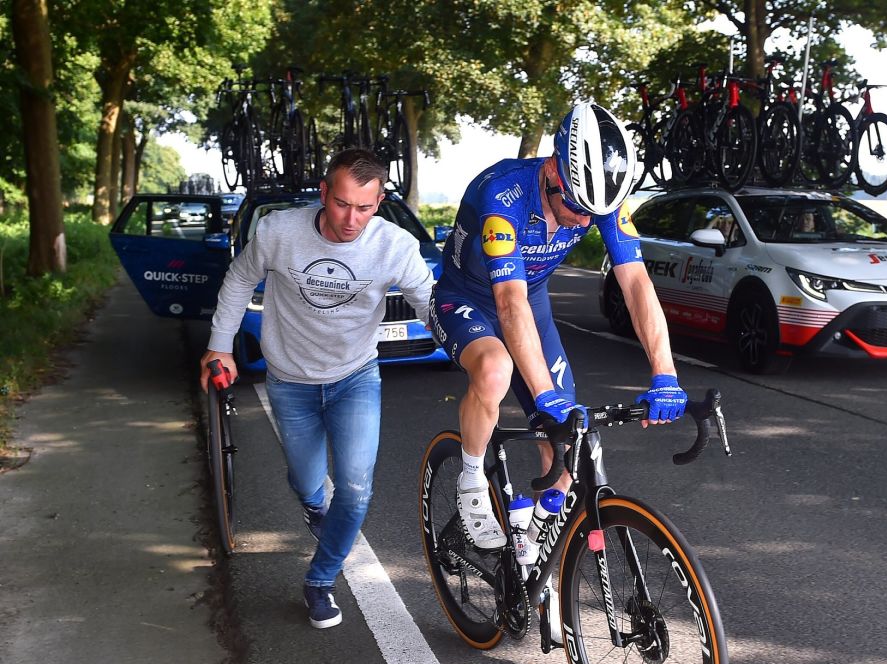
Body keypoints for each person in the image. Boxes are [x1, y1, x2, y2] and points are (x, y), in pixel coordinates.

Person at [430, 102, 688, 552]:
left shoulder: (600, 199)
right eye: (575, 207)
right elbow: (508, 301)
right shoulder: (502, 194)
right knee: (495, 370)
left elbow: (636, 285)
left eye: (594, 214)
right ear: (553, 170)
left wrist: (665, 374)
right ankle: (471, 480)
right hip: (467, 298)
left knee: (568, 443)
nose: (585, 222)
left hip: (531, 302)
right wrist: (542, 393)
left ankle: (532, 549)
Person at [199, 148, 434, 630]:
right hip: (290, 380)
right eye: (342, 203)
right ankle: (313, 508)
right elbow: (240, 278)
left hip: (356, 376)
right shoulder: (279, 232)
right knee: (307, 482)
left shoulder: (395, 245)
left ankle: (320, 580)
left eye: (364, 207)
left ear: (379, 201)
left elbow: (430, 304)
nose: (351, 219)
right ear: (324, 193)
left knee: (355, 488)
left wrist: (474, 349)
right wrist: (220, 345)